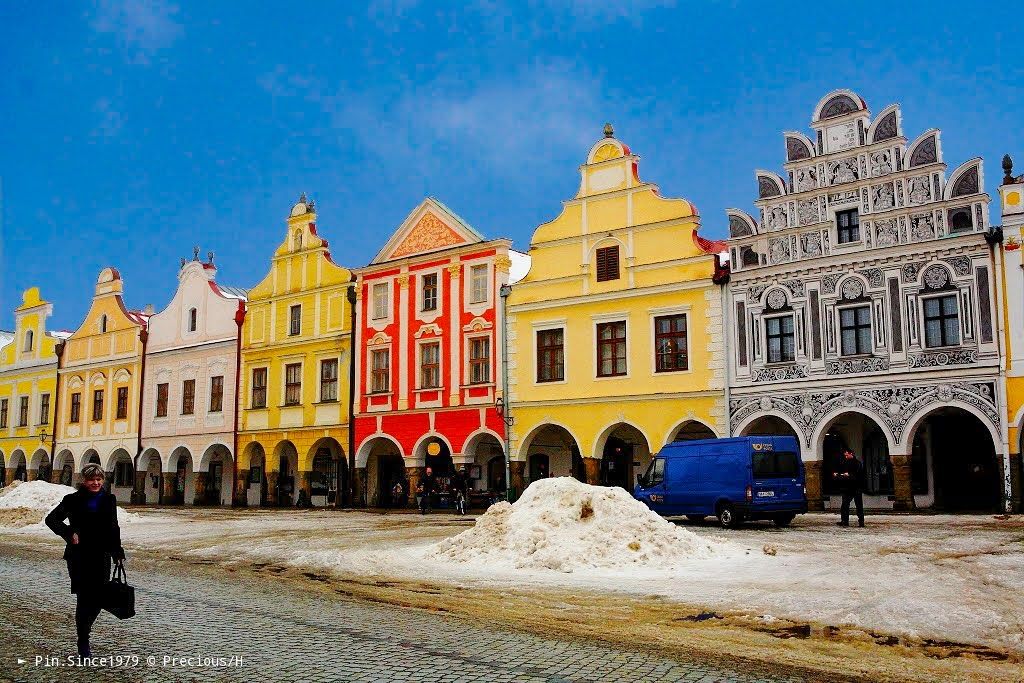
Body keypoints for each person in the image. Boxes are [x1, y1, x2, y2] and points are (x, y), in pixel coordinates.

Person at [45, 463, 126, 657]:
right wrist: (69, 532)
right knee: (85, 598)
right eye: (92, 479)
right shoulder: (72, 500)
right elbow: (51, 519)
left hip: (101, 555)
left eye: (99, 479)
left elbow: (113, 528)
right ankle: (83, 641)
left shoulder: (109, 499)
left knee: (98, 599)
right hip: (79, 556)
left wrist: (118, 553)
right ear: (84, 480)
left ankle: (85, 631)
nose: (96, 483)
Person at [833, 449, 865, 528]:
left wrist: (849, 475)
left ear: (851, 454)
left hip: (856, 487)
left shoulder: (857, 463)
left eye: (847, 455)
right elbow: (842, 472)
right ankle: (844, 521)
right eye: (845, 455)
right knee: (845, 505)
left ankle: (861, 521)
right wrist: (837, 474)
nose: (846, 456)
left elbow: (858, 475)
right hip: (847, 487)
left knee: (858, 505)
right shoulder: (845, 463)